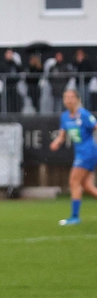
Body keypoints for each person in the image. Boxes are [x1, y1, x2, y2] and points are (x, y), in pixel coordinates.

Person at [49, 87, 97, 225]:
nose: (68, 100)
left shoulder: (84, 114)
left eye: (71, 97)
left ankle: (75, 217)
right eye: (66, 97)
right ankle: (75, 217)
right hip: (81, 153)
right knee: (87, 186)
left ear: (77, 99)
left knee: (74, 182)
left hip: (88, 153)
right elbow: (62, 135)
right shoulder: (65, 116)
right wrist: (56, 142)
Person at [0, 48, 23, 114]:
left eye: (11, 54)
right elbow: (1, 73)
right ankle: (7, 114)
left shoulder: (14, 64)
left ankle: (16, 113)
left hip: (15, 85)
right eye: (8, 53)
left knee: (15, 100)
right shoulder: (3, 64)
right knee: (7, 101)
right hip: (7, 85)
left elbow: (20, 70)